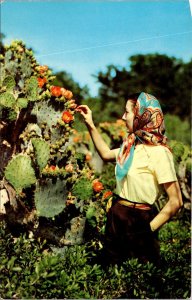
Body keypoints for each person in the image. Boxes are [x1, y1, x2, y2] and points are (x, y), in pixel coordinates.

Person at [76, 92, 183, 266]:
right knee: (109, 271)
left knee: (138, 276)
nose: (123, 117)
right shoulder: (130, 146)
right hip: (117, 215)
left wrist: (148, 230)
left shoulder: (160, 153)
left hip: (140, 219)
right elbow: (105, 154)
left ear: (142, 116)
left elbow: (175, 201)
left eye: (128, 112)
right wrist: (90, 123)